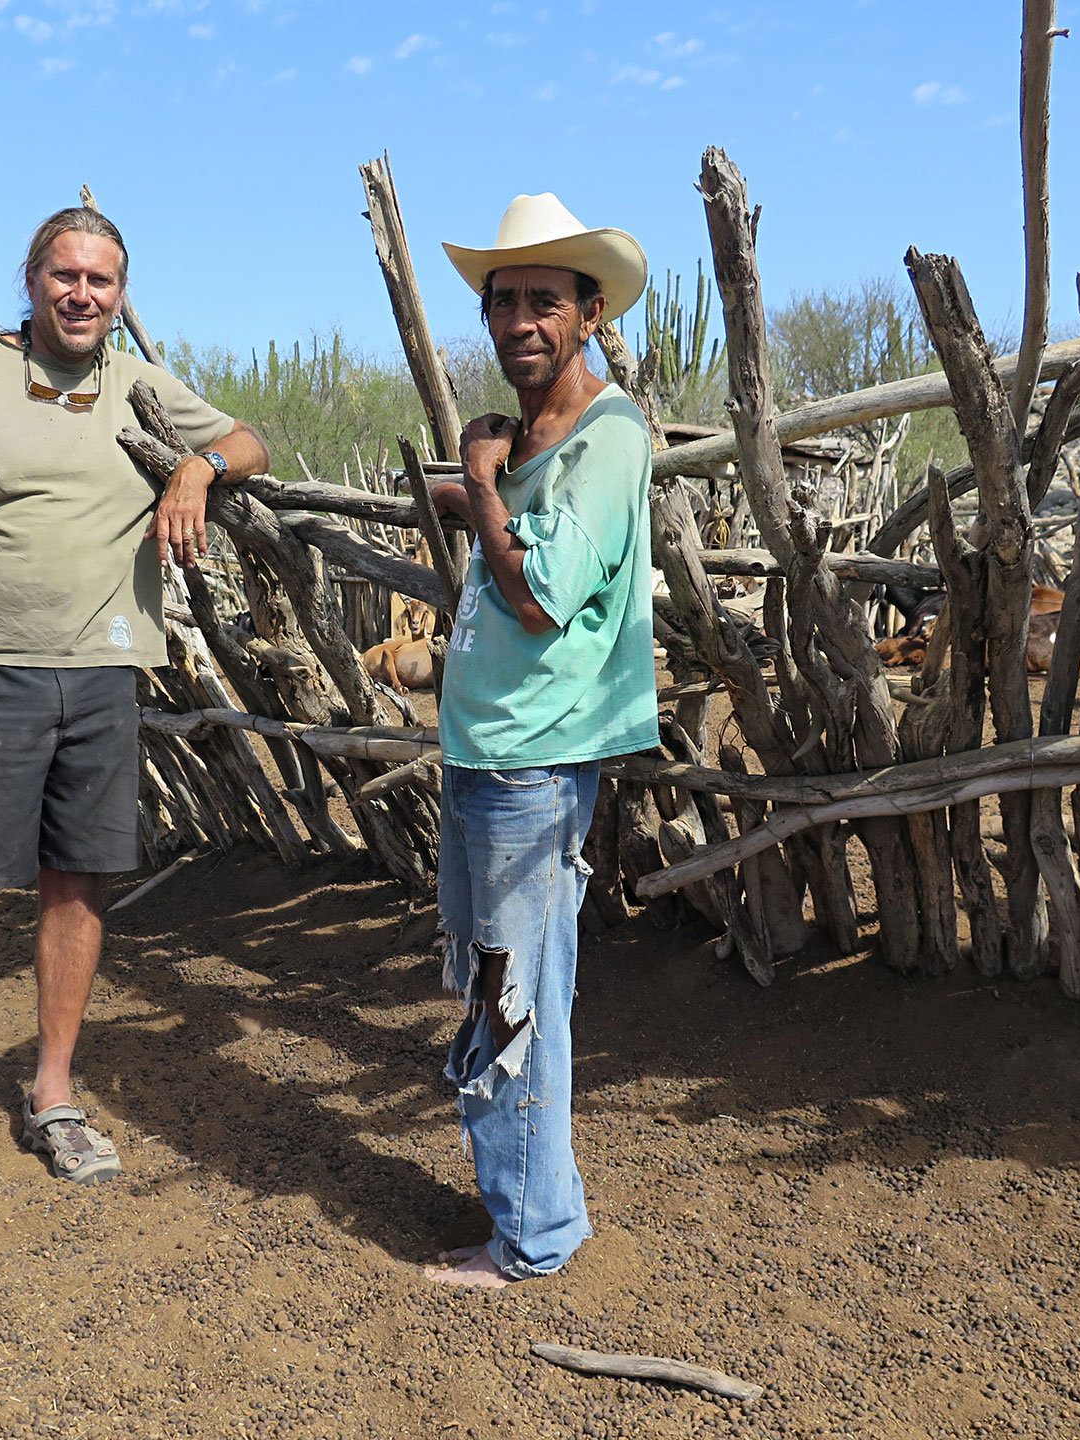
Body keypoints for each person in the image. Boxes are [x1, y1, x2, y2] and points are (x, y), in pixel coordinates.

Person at [0, 206, 269, 1200]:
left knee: (77, 884)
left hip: (101, 673)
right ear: (32, 277)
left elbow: (251, 443)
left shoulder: (139, 385)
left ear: (122, 294)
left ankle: (52, 1092)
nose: (83, 294)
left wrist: (195, 467)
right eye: (66, 275)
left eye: (102, 280)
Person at [420, 193, 657, 1286]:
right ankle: (528, 1212)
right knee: (496, 985)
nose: (519, 320)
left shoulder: (605, 439)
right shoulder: (536, 440)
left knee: (515, 997)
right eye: (502, 300)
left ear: (591, 311)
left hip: (534, 761)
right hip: (489, 753)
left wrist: (474, 479)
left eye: (543, 302)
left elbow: (538, 600)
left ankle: (533, 1238)